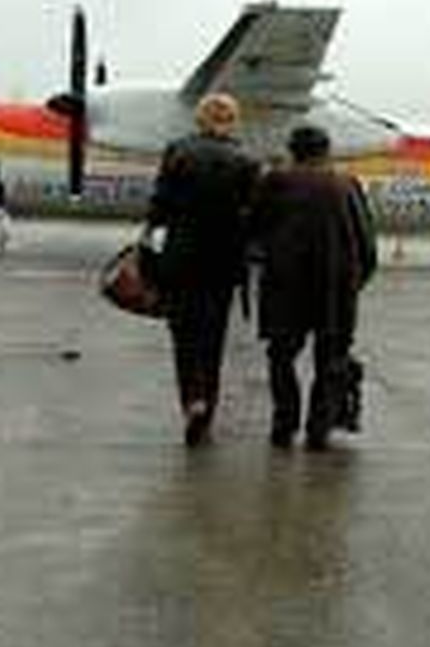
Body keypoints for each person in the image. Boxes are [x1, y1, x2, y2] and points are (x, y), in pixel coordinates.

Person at [250, 124, 377, 451]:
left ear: (292, 150)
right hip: (334, 288)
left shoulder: (275, 181)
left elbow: (253, 231)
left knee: (280, 355)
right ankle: (318, 430)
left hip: (284, 286)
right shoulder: (347, 184)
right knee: (331, 358)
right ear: (327, 150)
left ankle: (284, 424)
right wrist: (353, 283)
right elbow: (366, 244)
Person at [145, 92, 260, 447]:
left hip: (181, 258)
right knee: (213, 339)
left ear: (199, 118)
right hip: (223, 263)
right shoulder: (247, 160)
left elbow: (159, 205)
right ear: (232, 120)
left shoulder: (177, 151)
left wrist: (150, 240)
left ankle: (191, 400)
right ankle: (205, 414)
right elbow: (253, 214)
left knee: (184, 336)